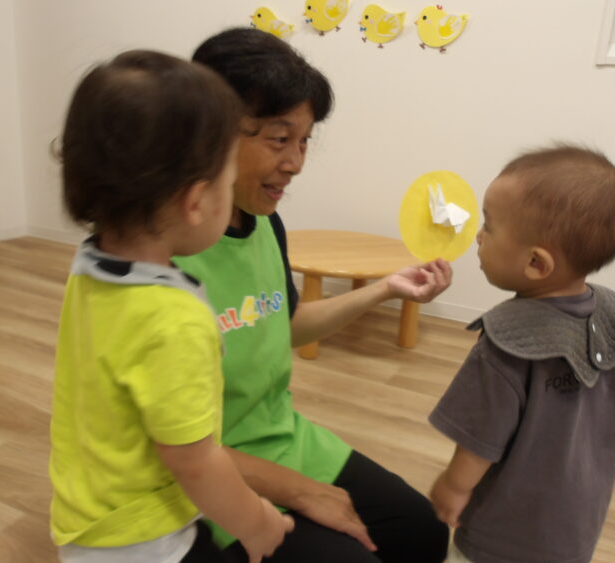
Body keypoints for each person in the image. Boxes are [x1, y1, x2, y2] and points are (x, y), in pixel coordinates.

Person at [173, 28, 451, 562]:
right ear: (209, 130)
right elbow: (171, 449)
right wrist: (301, 492)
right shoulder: (157, 257)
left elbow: (284, 324)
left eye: (304, 141)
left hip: (278, 438)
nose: (296, 162)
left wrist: (385, 290)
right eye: (279, 140)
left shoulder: (263, 223)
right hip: (199, 474)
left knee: (422, 532)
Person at [49, 50, 294, 563]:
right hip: (146, 540)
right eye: (227, 179)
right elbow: (195, 461)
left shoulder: (90, 266)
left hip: (88, 513)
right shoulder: (174, 319)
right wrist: (258, 521)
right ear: (196, 201)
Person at [428, 145, 615, 563]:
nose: (479, 236)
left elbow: (480, 440)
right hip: (576, 522)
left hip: (504, 534)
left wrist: (453, 486)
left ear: (537, 263)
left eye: (489, 226)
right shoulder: (611, 314)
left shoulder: (509, 340)